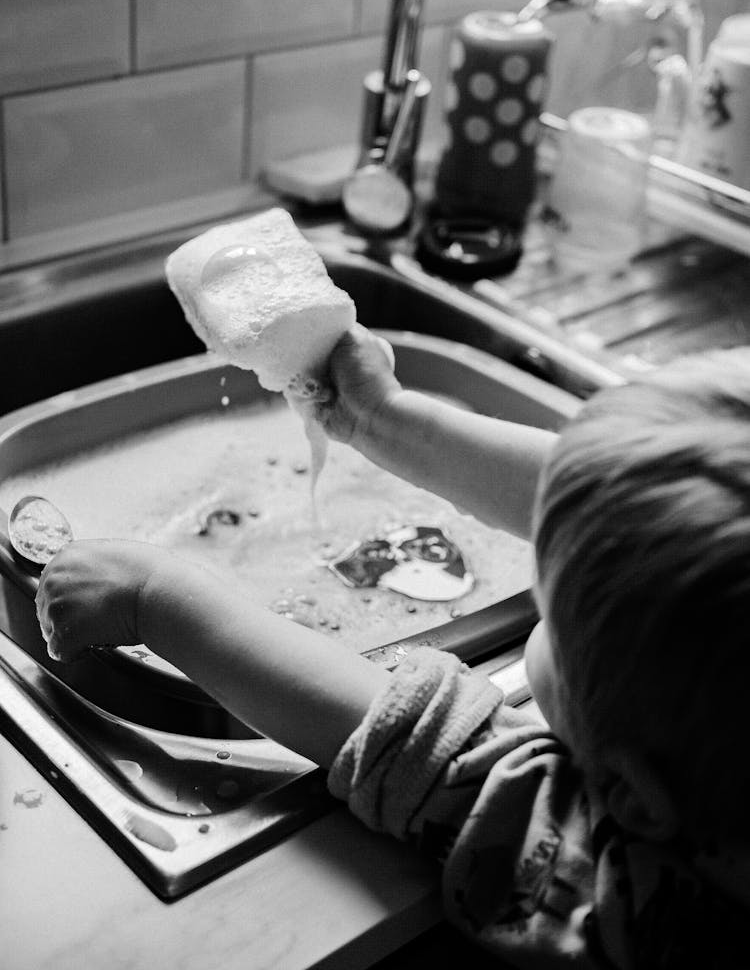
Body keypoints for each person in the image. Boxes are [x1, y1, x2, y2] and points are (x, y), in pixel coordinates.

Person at [35, 327, 750, 967]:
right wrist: (385, 421)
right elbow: (589, 503)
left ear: (635, 797)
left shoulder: (634, 901)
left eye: (554, 611)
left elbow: (410, 742)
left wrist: (156, 601)